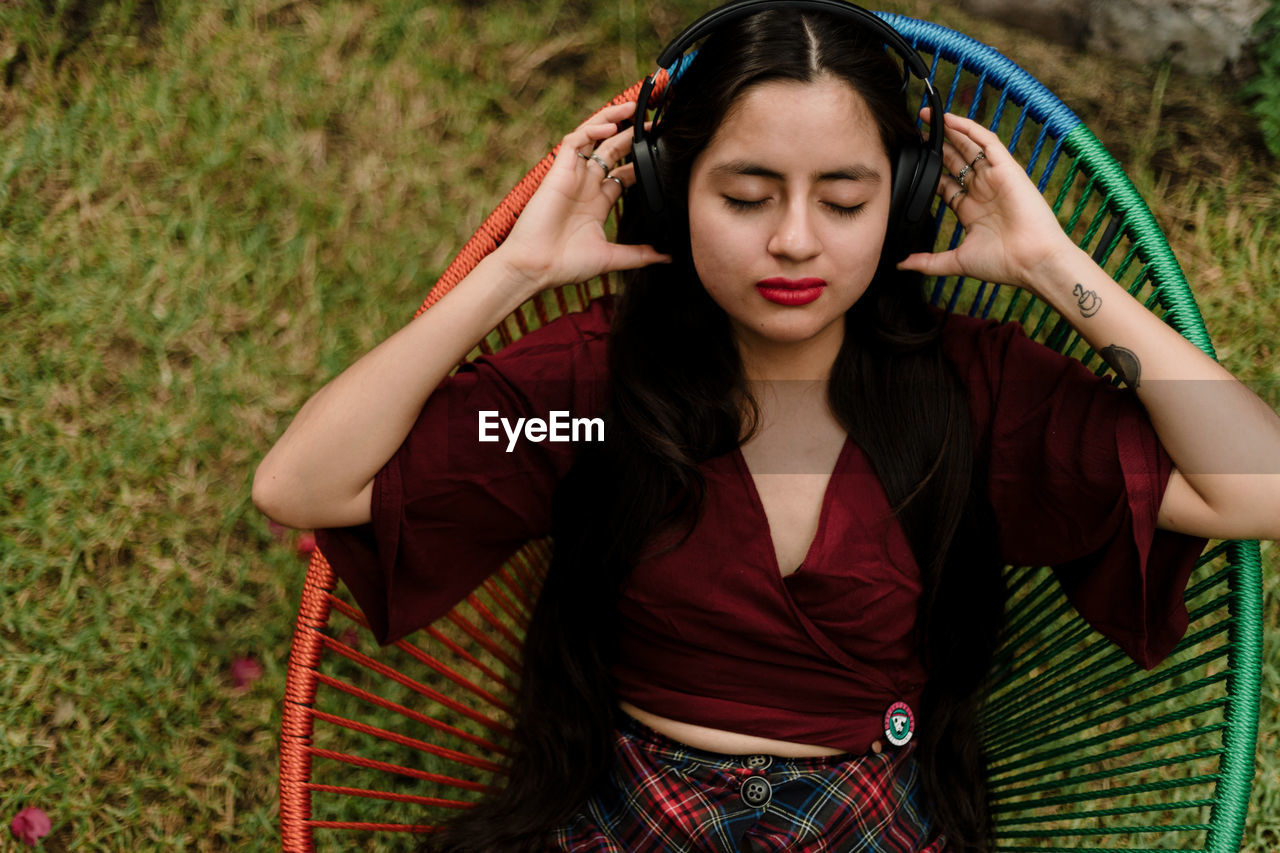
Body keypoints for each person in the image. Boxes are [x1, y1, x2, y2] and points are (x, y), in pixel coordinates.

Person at [252, 2, 1280, 851]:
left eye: (843, 200)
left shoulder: (971, 395)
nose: (793, 242)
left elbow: (1258, 486)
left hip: (867, 820)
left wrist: (1060, 273)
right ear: (670, 191)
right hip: (630, 817)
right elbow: (305, 486)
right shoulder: (593, 402)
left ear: (903, 199)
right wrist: (512, 275)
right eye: (745, 195)